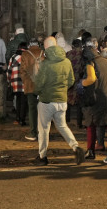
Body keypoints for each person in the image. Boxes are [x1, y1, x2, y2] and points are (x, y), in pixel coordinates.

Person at [32, 36, 85, 166]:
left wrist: (38, 90)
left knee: (43, 129)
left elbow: (38, 85)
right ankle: (76, 147)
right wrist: (62, 89)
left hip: (47, 101)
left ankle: (42, 156)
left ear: (46, 48)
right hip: (62, 100)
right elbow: (71, 81)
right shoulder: (66, 61)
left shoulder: (45, 64)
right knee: (62, 126)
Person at [80, 35, 107, 159]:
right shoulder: (106, 62)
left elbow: (91, 79)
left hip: (96, 97)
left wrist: (81, 83)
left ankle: (91, 151)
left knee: (93, 124)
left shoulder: (91, 62)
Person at [19, 39, 43, 141]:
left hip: (30, 85)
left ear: (29, 45)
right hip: (42, 85)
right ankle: (43, 132)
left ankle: (33, 132)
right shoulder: (43, 53)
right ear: (38, 44)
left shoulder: (25, 54)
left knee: (32, 109)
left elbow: (22, 71)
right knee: (43, 110)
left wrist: (26, 82)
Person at [6, 42, 28, 125]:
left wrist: (8, 80)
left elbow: (9, 70)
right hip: (25, 81)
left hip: (15, 82)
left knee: (18, 100)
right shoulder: (27, 56)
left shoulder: (13, 57)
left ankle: (17, 118)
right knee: (24, 101)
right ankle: (22, 119)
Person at [66, 38, 84, 128]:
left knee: (68, 99)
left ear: (72, 45)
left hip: (70, 79)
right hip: (80, 79)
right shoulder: (83, 53)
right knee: (80, 102)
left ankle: (67, 119)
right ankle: (79, 122)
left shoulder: (68, 54)